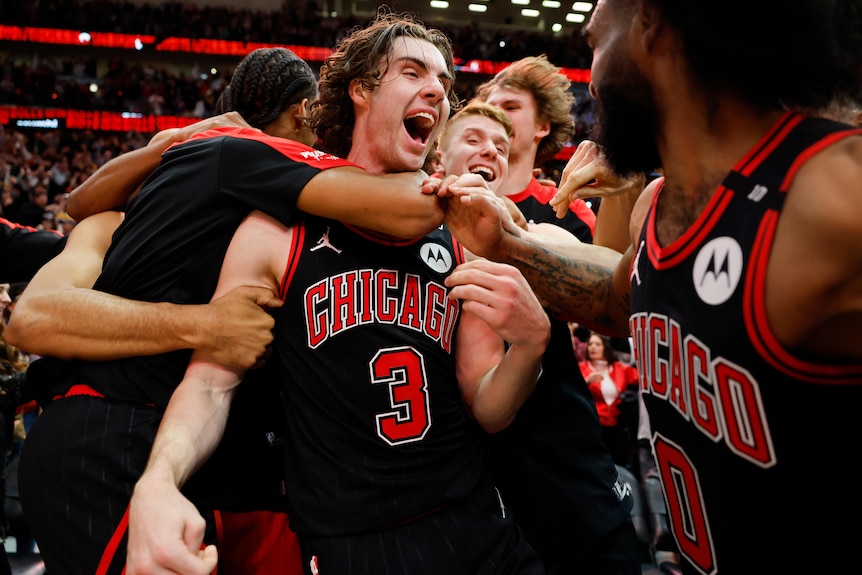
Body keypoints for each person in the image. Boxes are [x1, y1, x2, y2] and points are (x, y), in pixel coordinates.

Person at [441, 1, 862, 573]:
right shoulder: (654, 204)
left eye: (593, 45)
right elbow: (617, 305)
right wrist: (508, 247)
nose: (589, 77)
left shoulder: (832, 194)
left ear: (651, 24)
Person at [126, 12, 551, 575]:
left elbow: (488, 408)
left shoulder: (459, 230)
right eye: (411, 71)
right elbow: (209, 384)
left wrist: (530, 348)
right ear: (360, 90)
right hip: (351, 542)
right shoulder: (278, 229)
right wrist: (158, 481)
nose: (437, 90)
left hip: (473, 525)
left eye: (446, 83)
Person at [6, 46, 452, 575]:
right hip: (114, 435)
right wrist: (207, 325)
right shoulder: (250, 154)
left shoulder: (159, 195)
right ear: (300, 118)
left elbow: (77, 202)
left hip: (185, 454)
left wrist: (168, 144)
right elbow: (411, 209)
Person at [446, 56, 640, 574]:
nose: (493, 126)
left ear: (539, 128)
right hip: (467, 470)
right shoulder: (425, 213)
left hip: (556, 450)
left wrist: (629, 183)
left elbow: (617, 293)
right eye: (482, 113)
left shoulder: (556, 210)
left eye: (508, 109)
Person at [473, 55, 596, 243]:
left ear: (543, 127)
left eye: (511, 107)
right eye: (489, 109)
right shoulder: (443, 190)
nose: (496, 115)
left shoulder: (568, 212)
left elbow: (611, 268)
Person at [579, 331, 640, 469]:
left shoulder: (619, 368)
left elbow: (642, 379)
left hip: (618, 426)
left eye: (597, 344)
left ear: (605, 347)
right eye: (590, 344)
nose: (593, 347)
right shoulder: (582, 368)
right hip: (593, 424)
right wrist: (587, 382)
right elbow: (572, 390)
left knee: (617, 462)